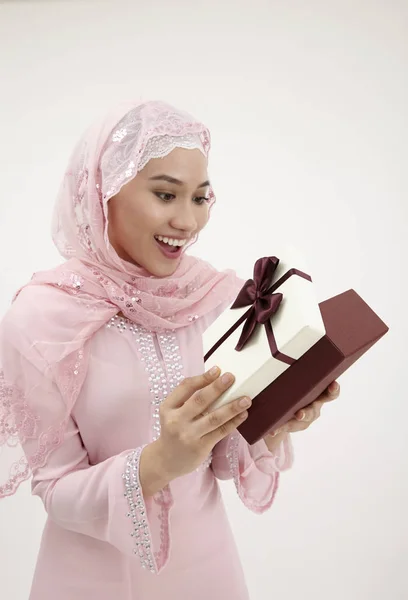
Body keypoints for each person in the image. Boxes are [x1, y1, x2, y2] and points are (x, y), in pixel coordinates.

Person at [0, 100, 340, 600]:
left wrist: (272, 420)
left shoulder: (208, 298)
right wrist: (162, 459)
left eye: (201, 198)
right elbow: (56, 490)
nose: (188, 221)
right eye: (166, 195)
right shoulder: (42, 319)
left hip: (209, 571)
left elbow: (223, 458)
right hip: (94, 581)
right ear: (103, 193)